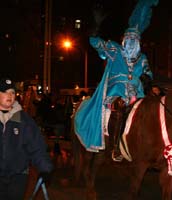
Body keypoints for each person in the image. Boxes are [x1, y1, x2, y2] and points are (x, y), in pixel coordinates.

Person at [74, 0, 159, 161]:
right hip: (115, 93)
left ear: (139, 42)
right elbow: (95, 43)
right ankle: (115, 148)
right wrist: (96, 27)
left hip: (138, 94)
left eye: (135, 39)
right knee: (118, 109)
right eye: (129, 38)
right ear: (123, 40)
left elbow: (149, 74)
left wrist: (147, 80)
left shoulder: (142, 59)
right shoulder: (114, 50)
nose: (131, 41)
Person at [0, 78, 53, 200]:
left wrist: (45, 168)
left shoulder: (23, 119)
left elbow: (36, 146)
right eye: (5, 92)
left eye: (12, 92)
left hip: (18, 176)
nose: (10, 95)